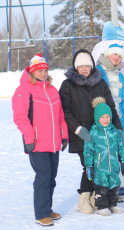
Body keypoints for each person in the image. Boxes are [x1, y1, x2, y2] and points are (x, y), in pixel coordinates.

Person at [59, 49, 122, 214]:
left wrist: (118, 126)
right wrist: (78, 129)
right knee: (88, 165)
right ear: (76, 67)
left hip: (100, 133)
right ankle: (84, 199)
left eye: (87, 65)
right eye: (81, 66)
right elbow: (65, 111)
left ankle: (97, 196)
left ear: (92, 66)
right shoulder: (68, 85)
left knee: (101, 165)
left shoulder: (100, 83)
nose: (84, 69)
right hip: (81, 133)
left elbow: (110, 106)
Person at [12, 54, 68, 226]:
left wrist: (64, 135)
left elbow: (60, 115)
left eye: (45, 70)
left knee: (51, 177)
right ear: (32, 71)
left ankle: (47, 208)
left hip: (53, 143)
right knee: (43, 177)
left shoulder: (52, 89)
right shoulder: (24, 89)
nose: (43, 73)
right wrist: (29, 138)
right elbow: (20, 117)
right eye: (40, 71)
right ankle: (41, 213)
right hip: (36, 143)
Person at [96, 44, 124, 193]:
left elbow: (122, 99)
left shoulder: (121, 76)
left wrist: (122, 117)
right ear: (107, 55)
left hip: (119, 118)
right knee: (107, 152)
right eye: (114, 55)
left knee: (122, 148)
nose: (117, 58)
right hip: (104, 118)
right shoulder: (98, 72)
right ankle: (107, 186)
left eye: (119, 56)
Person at [83, 97, 124, 216]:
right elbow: (88, 151)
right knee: (102, 186)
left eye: (107, 116)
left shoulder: (115, 132)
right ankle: (101, 206)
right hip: (100, 167)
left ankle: (113, 204)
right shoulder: (93, 133)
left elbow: (121, 147)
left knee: (114, 185)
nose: (105, 119)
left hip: (113, 166)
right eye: (102, 117)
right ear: (97, 118)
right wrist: (89, 166)